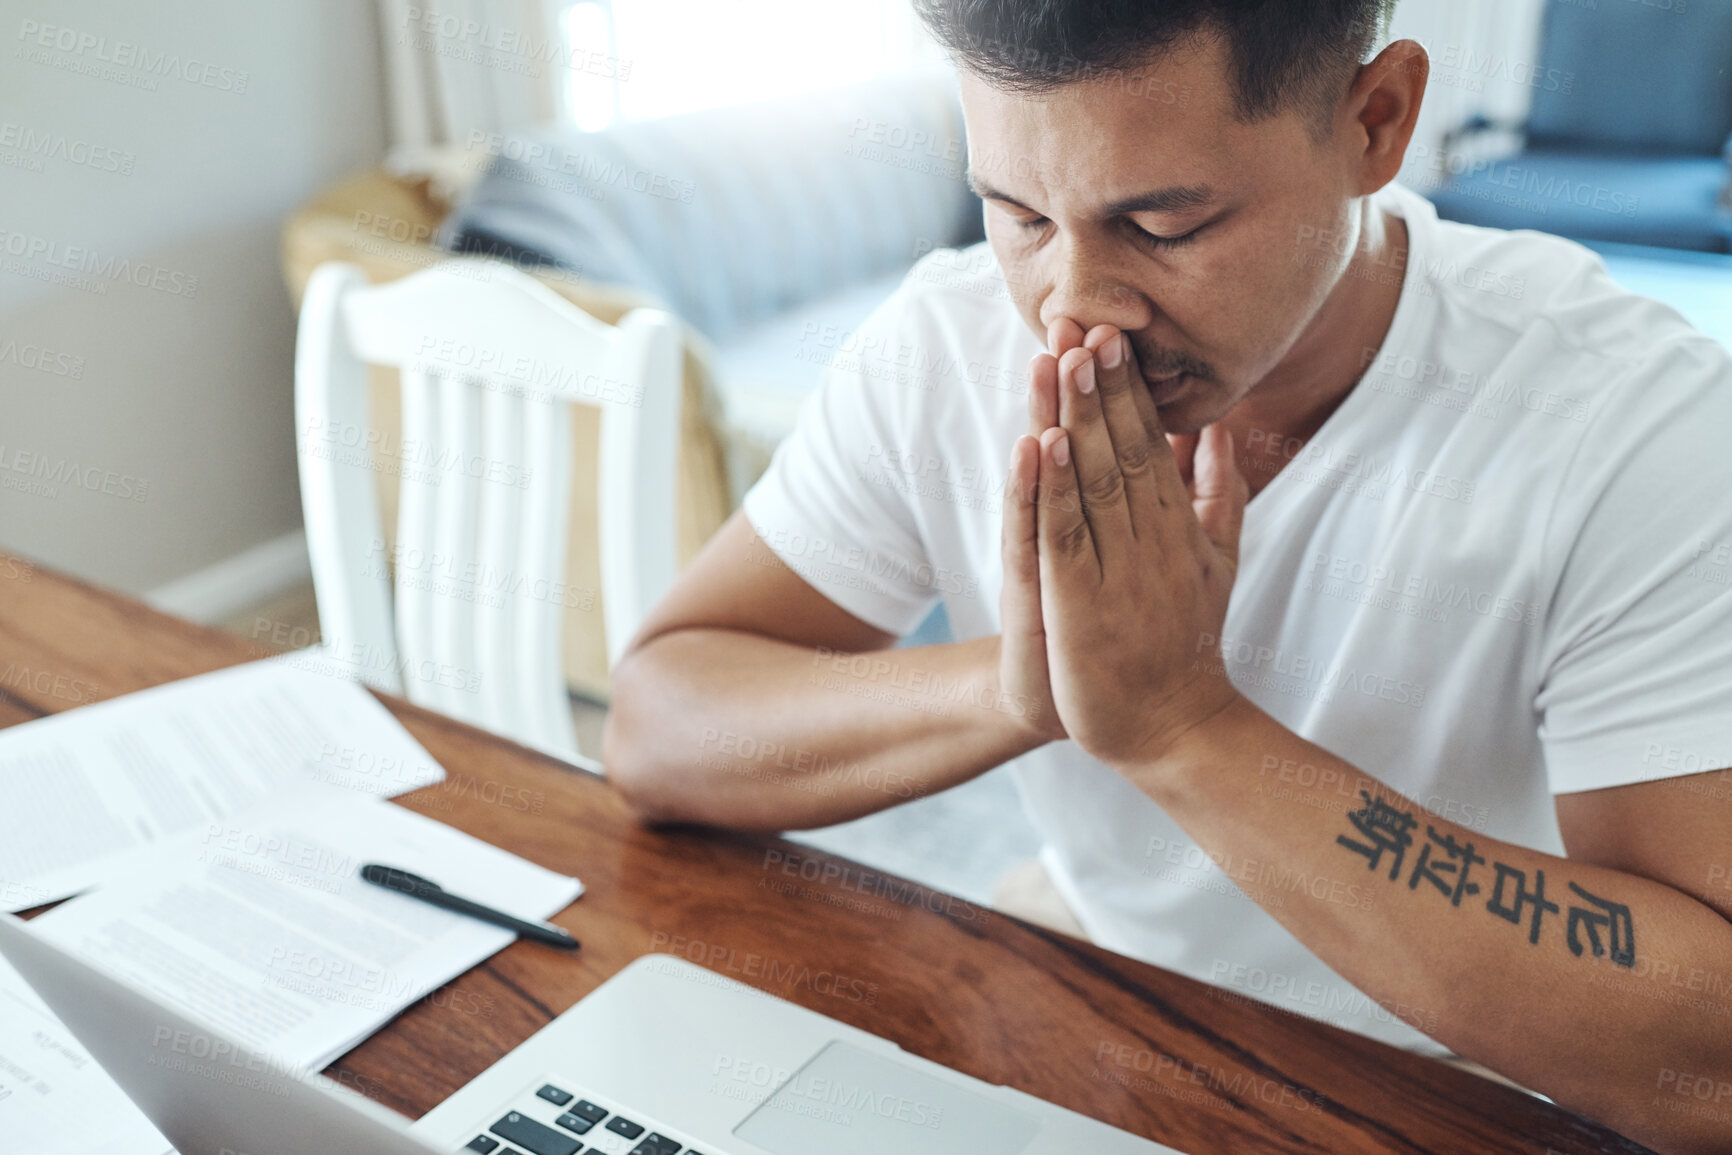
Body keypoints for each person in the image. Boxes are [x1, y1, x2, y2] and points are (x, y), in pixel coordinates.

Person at [603, 3, 1732, 1149]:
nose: (1072, 307)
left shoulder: (1637, 428)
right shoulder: (938, 348)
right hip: (1090, 977)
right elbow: (657, 725)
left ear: (1374, 124)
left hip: (1476, 1075)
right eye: (1019, 214)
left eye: (1161, 225)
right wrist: (1026, 681)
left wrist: (1179, 723)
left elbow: (1710, 1056)